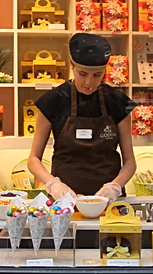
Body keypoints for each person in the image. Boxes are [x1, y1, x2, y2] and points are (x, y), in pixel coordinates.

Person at [28, 33, 136, 201]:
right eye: (82, 74)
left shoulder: (118, 102)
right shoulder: (53, 101)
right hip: (64, 200)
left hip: (108, 202)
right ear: (72, 66)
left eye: (97, 75)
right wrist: (53, 184)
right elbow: (33, 159)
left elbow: (130, 162)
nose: (89, 83)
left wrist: (114, 187)